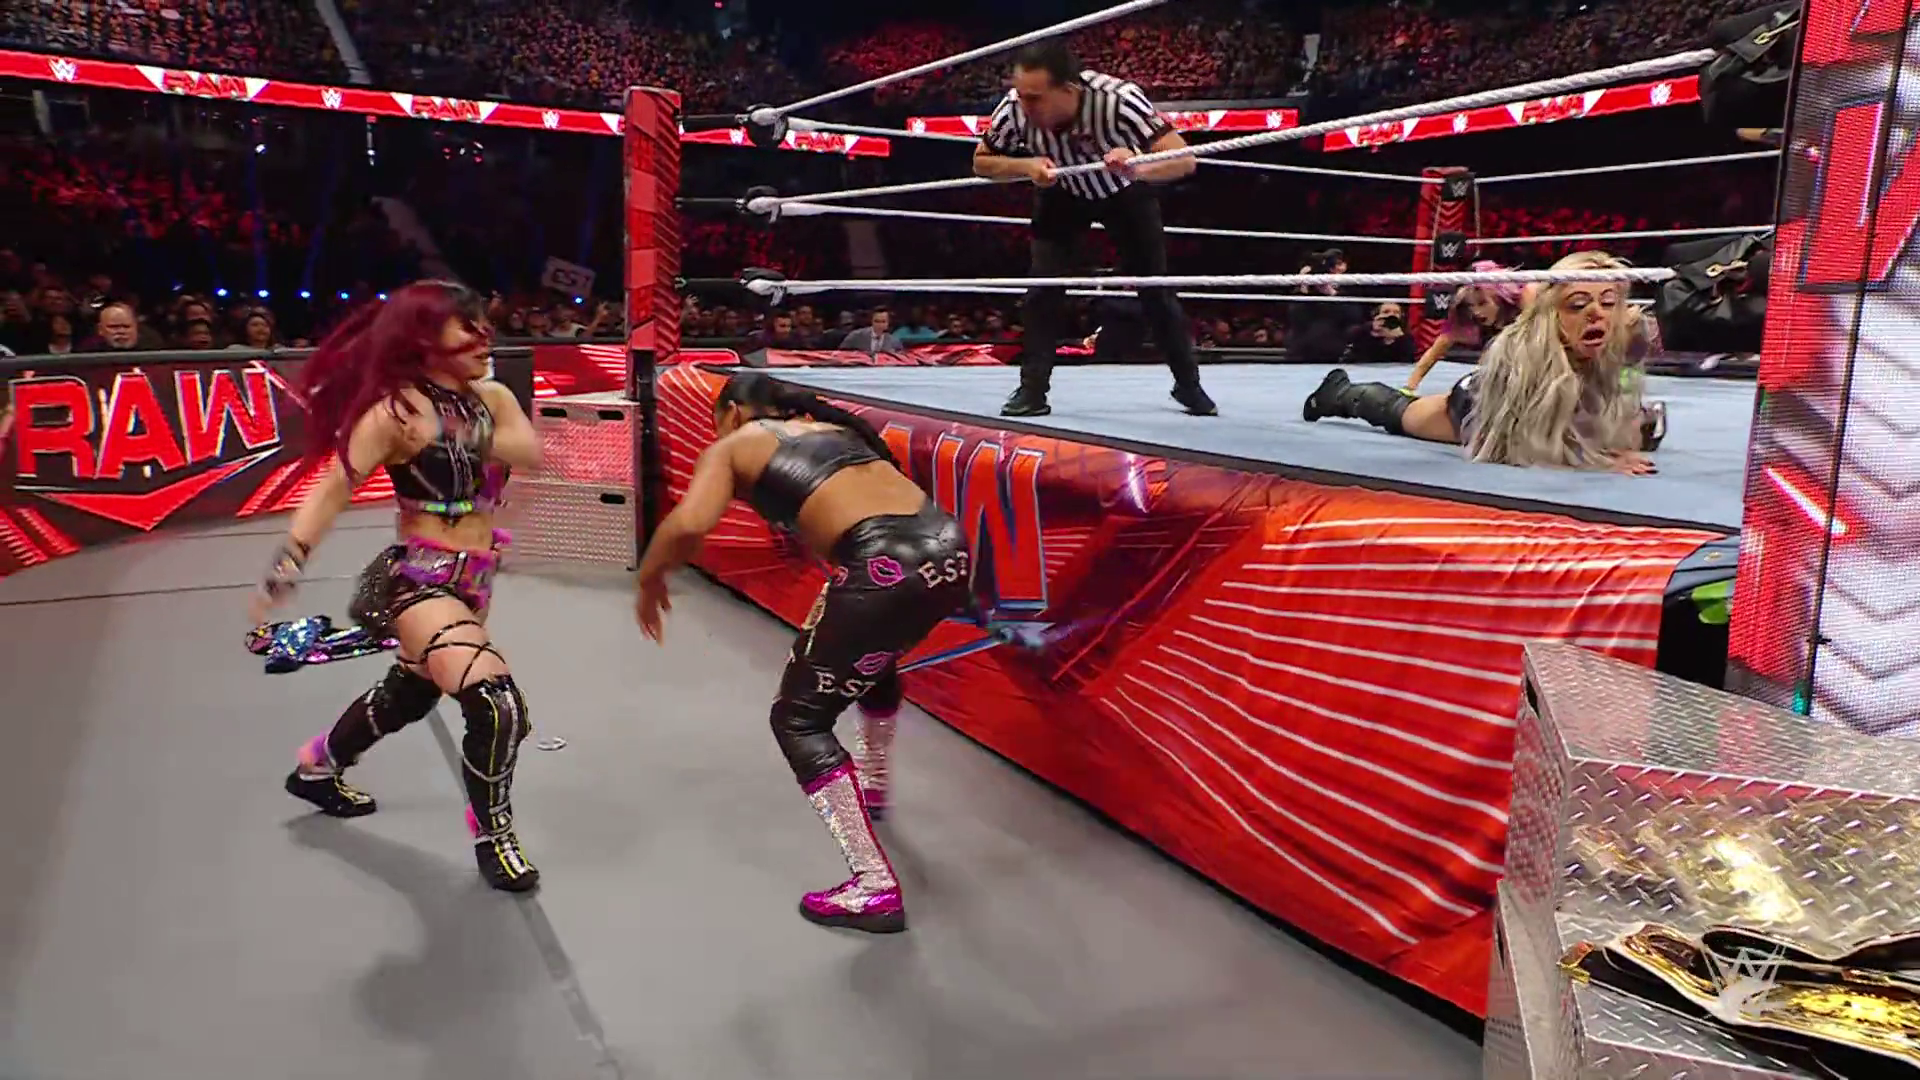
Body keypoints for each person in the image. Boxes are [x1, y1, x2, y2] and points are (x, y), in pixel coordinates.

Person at [633, 372, 973, 934]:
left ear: (733, 412)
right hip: (950, 554)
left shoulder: (737, 443)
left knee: (798, 720)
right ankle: (873, 783)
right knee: (869, 659)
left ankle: (872, 885)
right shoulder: (835, 432)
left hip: (885, 566)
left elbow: (690, 522)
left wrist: (648, 578)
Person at [251, 280, 546, 892]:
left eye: (484, 324)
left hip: (476, 580)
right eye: (466, 326)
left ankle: (315, 768)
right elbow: (334, 488)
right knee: (496, 703)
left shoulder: (491, 397)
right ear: (424, 338)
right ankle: (493, 835)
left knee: (409, 694)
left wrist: (456, 429)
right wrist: (288, 562)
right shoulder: (394, 414)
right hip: (419, 581)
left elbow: (529, 450)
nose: (484, 337)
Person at [973, 41, 1217, 419]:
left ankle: (1188, 384)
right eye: (1021, 95)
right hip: (1063, 193)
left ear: (1068, 90)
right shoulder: (1014, 109)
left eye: (1035, 97)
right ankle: (1032, 390)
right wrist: (1026, 166)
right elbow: (981, 161)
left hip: (1125, 192)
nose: (1026, 106)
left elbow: (1183, 160)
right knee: (1042, 289)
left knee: (1155, 289)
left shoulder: (1118, 100)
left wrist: (1138, 166)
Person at [1302, 252, 1661, 474]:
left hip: (1545, 396)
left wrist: (1619, 435)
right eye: (1578, 305)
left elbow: (1608, 395)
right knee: (1399, 413)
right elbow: (1514, 444)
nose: (1597, 314)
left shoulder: (1623, 337)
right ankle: (1340, 393)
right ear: (1553, 312)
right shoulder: (1521, 352)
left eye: (1608, 303)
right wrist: (1595, 460)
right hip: (1482, 402)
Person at [1403, 263, 1524, 394]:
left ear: (1499, 298)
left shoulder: (1523, 306)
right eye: (1471, 305)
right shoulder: (1466, 318)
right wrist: (1409, 387)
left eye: (1482, 303)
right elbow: (1435, 352)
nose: (1476, 311)